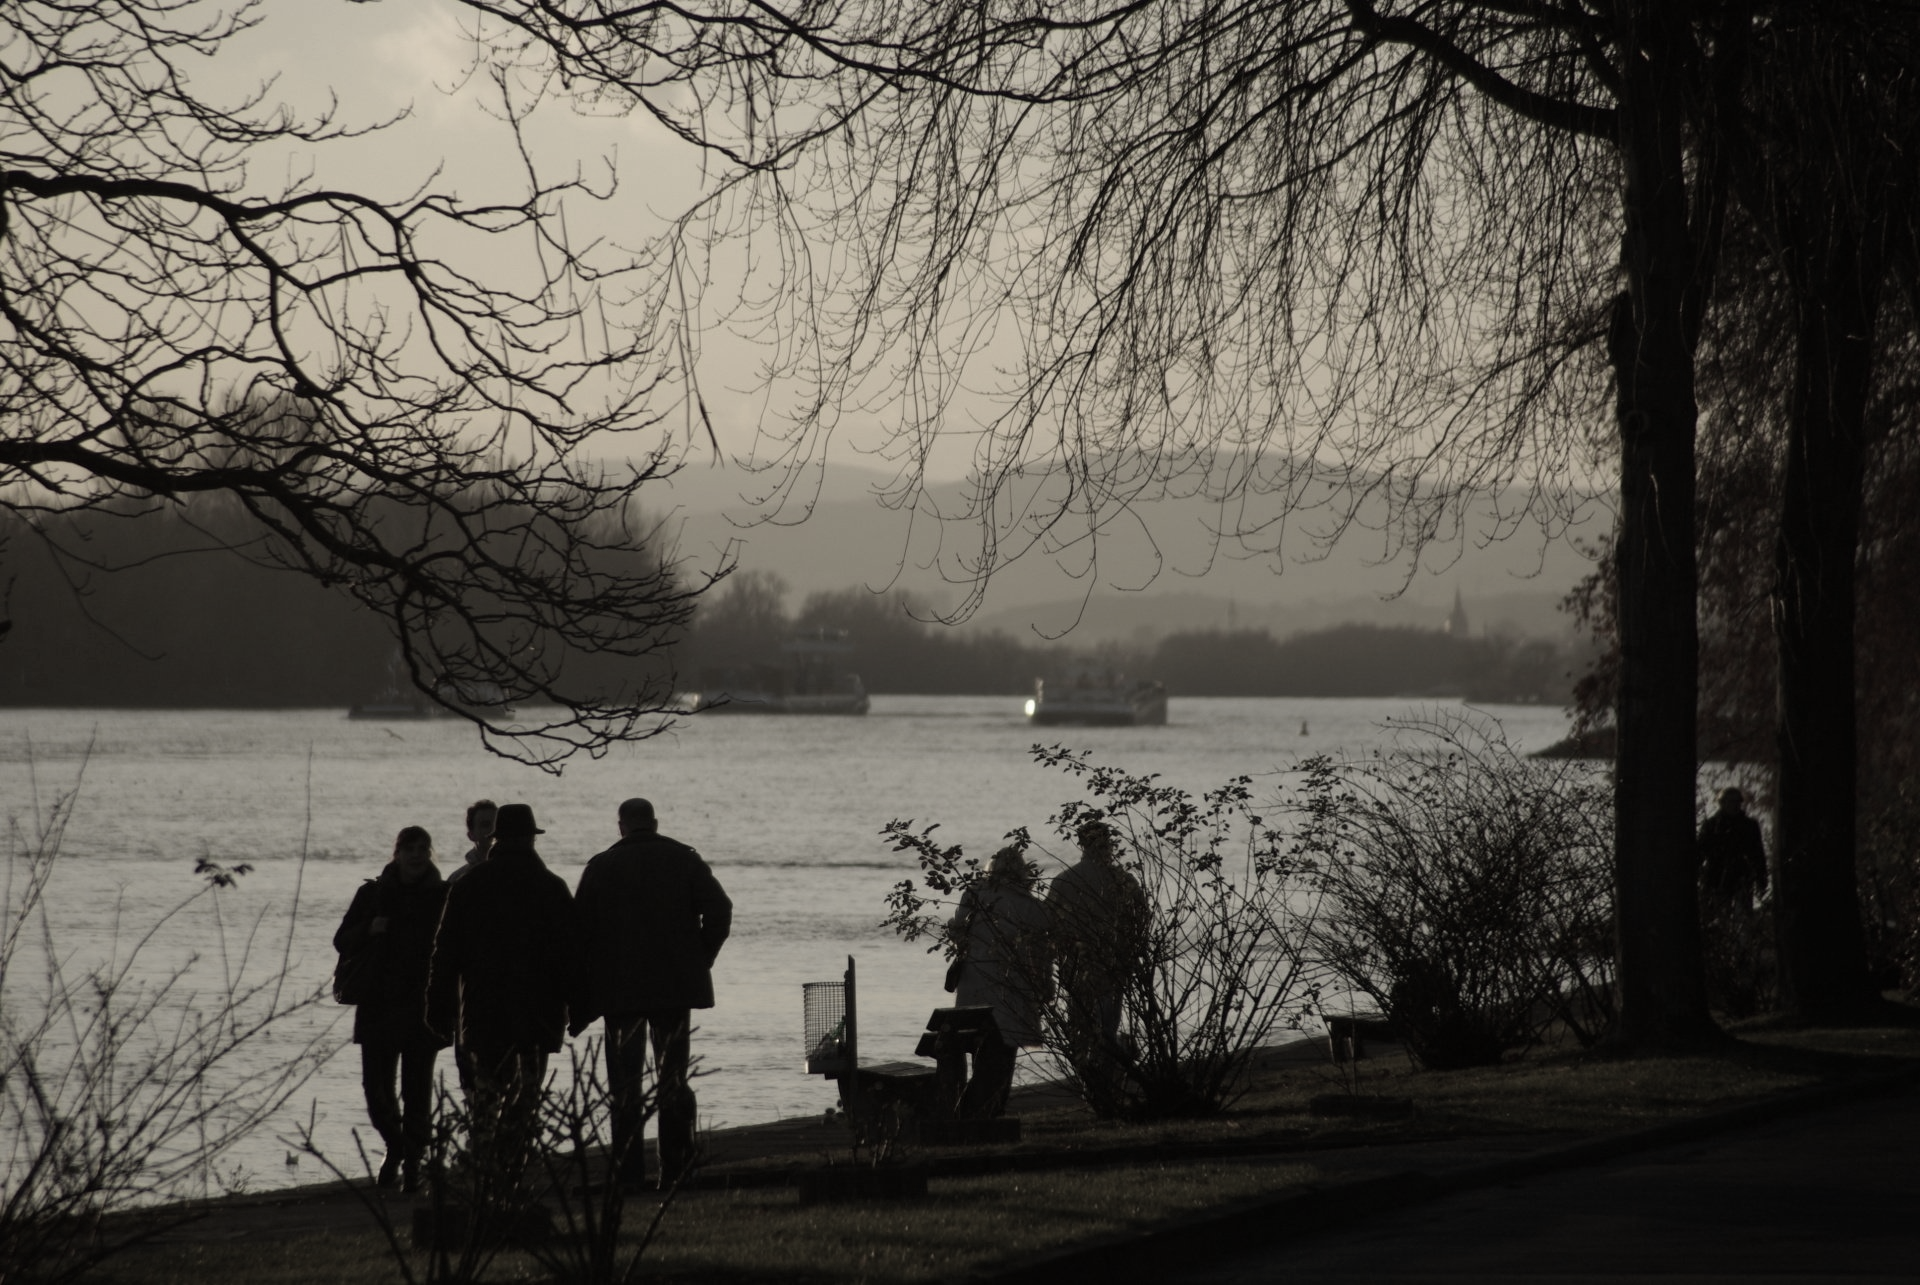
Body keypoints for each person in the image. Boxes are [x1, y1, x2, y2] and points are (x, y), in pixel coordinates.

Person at [573, 797, 732, 1187]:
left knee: (625, 1086)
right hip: (673, 990)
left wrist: (584, 989)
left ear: (621, 827)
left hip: (620, 993)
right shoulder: (684, 859)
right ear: (655, 823)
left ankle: (628, 1174)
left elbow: (579, 932)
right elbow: (720, 909)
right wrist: (700, 958)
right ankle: (673, 1168)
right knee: (672, 1080)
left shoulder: (601, 866)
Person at [426, 803, 577, 1185]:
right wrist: (579, 1007)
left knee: (486, 1101)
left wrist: (437, 1008)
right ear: (530, 839)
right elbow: (572, 955)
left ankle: (482, 1178)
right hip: (537, 1016)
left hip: (484, 1014)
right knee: (525, 1100)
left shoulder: (468, 886)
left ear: (496, 839)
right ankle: (514, 1173)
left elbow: (445, 953)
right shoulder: (551, 887)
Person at [333, 825, 449, 1192]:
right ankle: (397, 1147)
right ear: (396, 854)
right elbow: (341, 940)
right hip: (377, 1004)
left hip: (422, 1008)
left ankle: (412, 1162)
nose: (416, 855)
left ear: (429, 854)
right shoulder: (372, 894)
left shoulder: (442, 896)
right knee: (376, 1091)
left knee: (417, 1092)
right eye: (409, 849)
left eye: (422, 849)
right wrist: (370, 928)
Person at [1046, 818, 1149, 1096]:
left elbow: (1049, 923)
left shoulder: (1064, 880)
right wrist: (1133, 951)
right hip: (1113, 964)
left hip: (1075, 964)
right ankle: (1106, 1081)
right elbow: (1141, 918)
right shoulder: (1123, 880)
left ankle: (1089, 1083)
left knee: (1080, 1026)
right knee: (1108, 1026)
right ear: (1108, 844)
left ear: (1081, 844)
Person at [947, 845, 1051, 1119]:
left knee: (979, 1045)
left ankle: (975, 1111)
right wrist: (1045, 984)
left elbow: (958, 933)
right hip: (1011, 985)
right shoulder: (1029, 905)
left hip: (974, 982)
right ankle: (991, 1110)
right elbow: (1041, 950)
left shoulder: (973, 895)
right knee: (1004, 1050)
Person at [1698, 787, 1769, 910]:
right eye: (1731, 801)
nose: (1735, 805)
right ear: (1722, 803)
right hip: (1716, 878)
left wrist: (1761, 879)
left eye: (1737, 802)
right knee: (1717, 915)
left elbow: (1758, 854)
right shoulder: (1711, 825)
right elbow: (1700, 852)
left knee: (1743, 916)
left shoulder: (1750, 826)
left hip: (1741, 878)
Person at [448, 799, 497, 885]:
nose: (493, 830)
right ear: (471, 835)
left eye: (497, 824)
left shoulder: (516, 871)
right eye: (485, 825)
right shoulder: (458, 879)